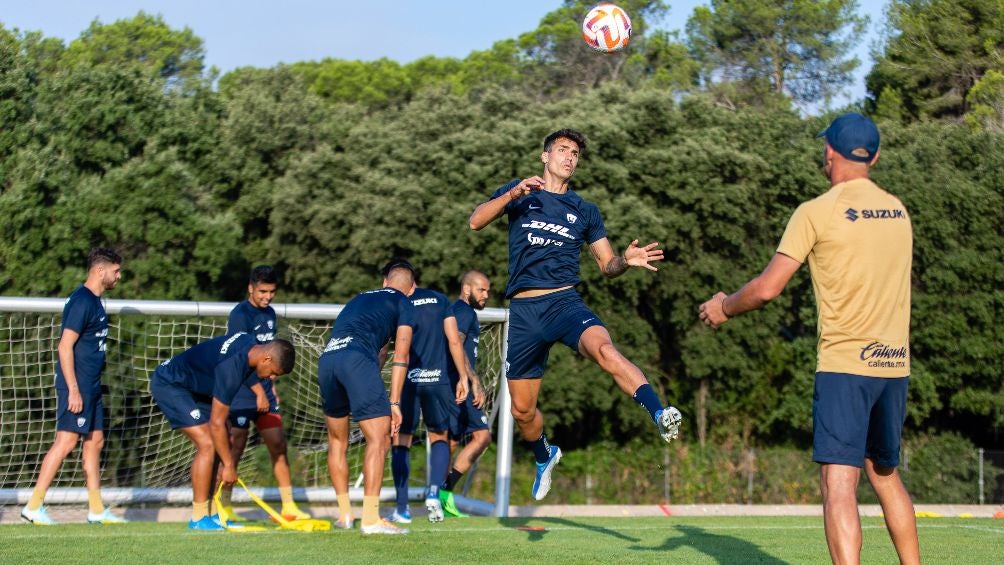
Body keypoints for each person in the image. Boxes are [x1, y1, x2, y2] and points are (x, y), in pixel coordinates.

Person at [698, 113, 919, 565]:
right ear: (873, 156)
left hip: (845, 366)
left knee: (839, 484)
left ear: (830, 152)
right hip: (894, 366)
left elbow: (766, 288)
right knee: (885, 474)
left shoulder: (816, 211)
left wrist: (723, 306)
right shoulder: (898, 210)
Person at [468, 129, 682, 501]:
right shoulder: (520, 195)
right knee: (522, 411)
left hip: (564, 304)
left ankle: (659, 412)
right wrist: (511, 194)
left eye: (576, 154)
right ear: (545, 156)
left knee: (605, 351)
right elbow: (475, 221)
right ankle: (544, 454)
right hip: (524, 312)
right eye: (563, 150)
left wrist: (625, 262)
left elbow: (607, 264)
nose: (570, 157)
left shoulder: (585, 211)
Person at [22, 248, 127, 525]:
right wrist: (74, 389)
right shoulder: (82, 301)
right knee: (66, 442)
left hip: (92, 386)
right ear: (100, 270)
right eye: (116, 271)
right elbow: (64, 345)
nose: (119, 276)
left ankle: (95, 509)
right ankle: (33, 507)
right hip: (76, 387)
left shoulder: (96, 302)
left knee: (95, 442)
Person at [150, 333, 295, 530]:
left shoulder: (250, 345)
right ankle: (199, 517)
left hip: (199, 390)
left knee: (222, 442)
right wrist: (229, 466)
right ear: (266, 358)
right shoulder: (231, 368)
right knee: (207, 444)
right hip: (171, 383)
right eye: (273, 373)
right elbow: (217, 423)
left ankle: (212, 512)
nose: (271, 378)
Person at [317, 261, 416, 535]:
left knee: (337, 441)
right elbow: (401, 355)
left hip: (328, 360)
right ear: (412, 289)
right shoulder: (405, 303)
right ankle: (371, 518)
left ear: (385, 282)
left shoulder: (360, 298)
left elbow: (380, 353)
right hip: (356, 360)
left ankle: (345, 515)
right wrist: (394, 403)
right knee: (379, 438)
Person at [217, 265, 310, 522]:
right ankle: (223, 507)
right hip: (241, 391)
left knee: (278, 444)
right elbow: (239, 357)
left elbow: (269, 358)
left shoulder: (270, 313)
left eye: (271, 291)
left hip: (265, 393)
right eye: (262, 291)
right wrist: (258, 391)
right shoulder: (240, 315)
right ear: (250, 288)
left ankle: (289, 506)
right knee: (234, 448)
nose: (267, 296)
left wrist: (272, 390)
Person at [388, 261, 470, 524]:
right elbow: (454, 340)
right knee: (439, 436)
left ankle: (402, 509)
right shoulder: (439, 299)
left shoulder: (398, 304)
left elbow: (389, 347)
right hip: (439, 381)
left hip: (408, 382)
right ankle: (434, 493)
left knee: (402, 441)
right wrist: (464, 377)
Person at [438, 270, 493, 518]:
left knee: (450, 442)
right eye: (482, 290)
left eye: (488, 291)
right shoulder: (463, 311)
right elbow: (456, 343)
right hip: (459, 386)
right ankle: (443, 492)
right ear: (467, 289)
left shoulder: (457, 310)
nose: (486, 296)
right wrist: (473, 380)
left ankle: (439, 498)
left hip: (451, 385)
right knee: (482, 437)